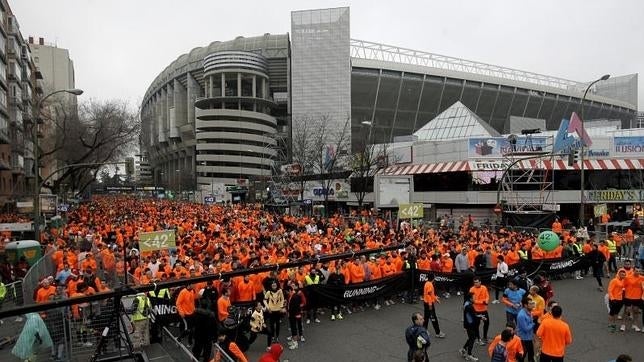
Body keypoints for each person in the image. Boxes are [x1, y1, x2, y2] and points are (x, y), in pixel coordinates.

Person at [422, 273, 445, 338]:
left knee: (426, 317)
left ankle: (424, 330)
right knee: (433, 318)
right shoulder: (430, 285)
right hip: (429, 304)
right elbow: (429, 295)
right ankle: (438, 332)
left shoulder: (427, 283)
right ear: (433, 278)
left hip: (426, 303)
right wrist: (430, 305)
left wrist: (435, 298)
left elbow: (430, 294)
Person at [469, 276, 490, 344]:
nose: (475, 284)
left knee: (487, 323)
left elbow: (487, 296)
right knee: (476, 325)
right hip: (476, 310)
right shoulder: (472, 289)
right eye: (474, 282)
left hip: (484, 310)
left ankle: (485, 337)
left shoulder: (484, 287)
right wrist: (482, 302)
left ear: (480, 282)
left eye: (477, 282)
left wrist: (486, 301)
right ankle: (478, 338)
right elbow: (473, 301)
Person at [459, 292, 480, 361]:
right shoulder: (469, 306)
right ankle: (469, 354)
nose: (475, 298)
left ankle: (463, 349)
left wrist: (479, 316)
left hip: (469, 325)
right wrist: (479, 317)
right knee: (472, 338)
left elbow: (470, 315)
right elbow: (471, 317)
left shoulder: (468, 304)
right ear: (470, 298)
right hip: (470, 325)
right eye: (474, 297)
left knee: (471, 338)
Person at [286, 282, 306, 350]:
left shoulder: (297, 295)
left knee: (296, 326)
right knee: (293, 327)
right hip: (292, 315)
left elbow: (298, 305)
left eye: (293, 285)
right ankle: (294, 340)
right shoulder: (291, 296)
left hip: (295, 315)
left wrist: (298, 314)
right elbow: (289, 305)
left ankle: (296, 342)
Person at [516, 297, 536, 362]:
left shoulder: (529, 312)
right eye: (530, 304)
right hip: (523, 339)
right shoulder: (521, 315)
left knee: (531, 355)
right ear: (525, 305)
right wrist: (533, 324)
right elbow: (526, 329)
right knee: (522, 356)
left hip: (529, 338)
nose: (532, 305)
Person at [607, 268, 627, 333]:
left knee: (616, 313)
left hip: (621, 300)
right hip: (614, 300)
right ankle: (610, 325)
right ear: (618, 274)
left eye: (624, 275)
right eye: (621, 275)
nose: (623, 276)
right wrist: (612, 299)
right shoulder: (614, 281)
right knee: (612, 313)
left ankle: (614, 325)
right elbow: (610, 290)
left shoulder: (624, 281)